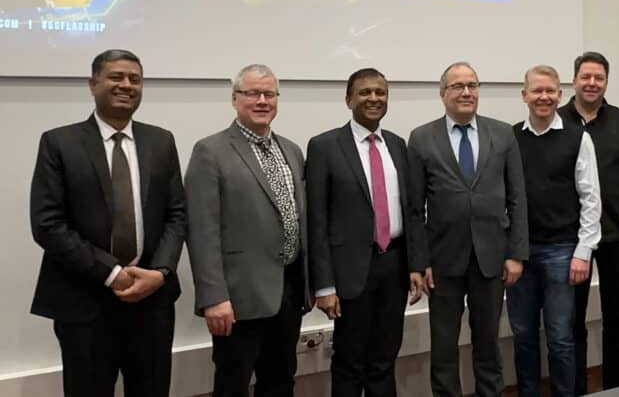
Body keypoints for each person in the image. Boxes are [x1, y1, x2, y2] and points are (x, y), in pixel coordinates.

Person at [30, 49, 186, 397]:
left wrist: (160, 272)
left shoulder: (161, 141)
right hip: (84, 302)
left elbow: (177, 214)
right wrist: (113, 273)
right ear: (92, 84)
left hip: (152, 303)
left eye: (135, 79)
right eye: (116, 77)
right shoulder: (59, 143)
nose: (126, 85)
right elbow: (47, 224)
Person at [184, 64, 311, 397]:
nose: (262, 100)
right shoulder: (210, 151)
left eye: (269, 94)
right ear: (235, 99)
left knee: (280, 380)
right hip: (237, 299)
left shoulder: (292, 150)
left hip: (288, 290)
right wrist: (213, 297)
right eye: (253, 93)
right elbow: (201, 229)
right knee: (233, 384)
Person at [408, 62, 528, 397]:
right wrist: (418, 262)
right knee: (444, 347)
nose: (466, 92)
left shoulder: (502, 134)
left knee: (488, 343)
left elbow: (518, 198)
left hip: (491, 257)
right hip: (443, 260)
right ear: (442, 93)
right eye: (458, 86)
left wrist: (516, 254)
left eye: (472, 85)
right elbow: (415, 209)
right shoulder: (421, 137)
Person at [306, 68, 426, 397]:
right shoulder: (324, 146)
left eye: (380, 92)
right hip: (349, 272)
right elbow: (316, 220)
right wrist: (324, 284)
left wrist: (416, 264)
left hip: (394, 267)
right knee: (349, 361)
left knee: (385, 359)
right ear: (348, 99)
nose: (373, 98)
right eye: (364, 92)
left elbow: (413, 212)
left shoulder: (399, 146)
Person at [557, 51, 619, 394]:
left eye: (599, 78)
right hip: (571, 239)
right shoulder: (556, 120)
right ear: (574, 80)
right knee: (571, 321)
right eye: (586, 76)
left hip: (616, 235)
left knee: (618, 319)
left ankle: (617, 387)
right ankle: (576, 388)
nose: (592, 83)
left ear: (606, 82)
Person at [508, 65, 601, 397]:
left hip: (563, 252)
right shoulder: (510, 138)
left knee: (561, 337)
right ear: (524, 96)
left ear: (560, 95)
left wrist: (583, 251)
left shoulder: (579, 138)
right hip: (520, 254)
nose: (543, 97)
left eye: (550, 91)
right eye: (536, 91)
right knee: (522, 335)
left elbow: (591, 198)